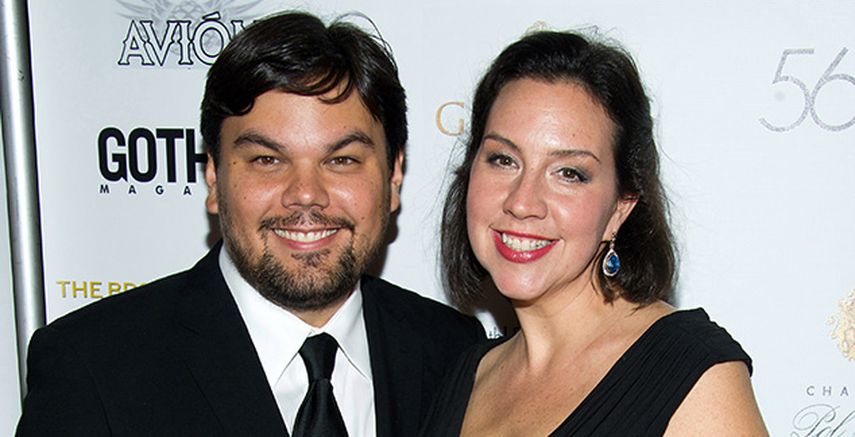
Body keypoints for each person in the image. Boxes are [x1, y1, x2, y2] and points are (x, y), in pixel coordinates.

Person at [17, 11, 483, 437]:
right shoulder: (94, 367)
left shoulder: (452, 352)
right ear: (214, 176)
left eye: (341, 160)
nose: (306, 193)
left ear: (394, 176)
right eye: (266, 159)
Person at [424, 31, 767, 436]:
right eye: (503, 160)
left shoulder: (693, 376)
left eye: (569, 173)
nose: (522, 201)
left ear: (620, 207)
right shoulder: (465, 376)